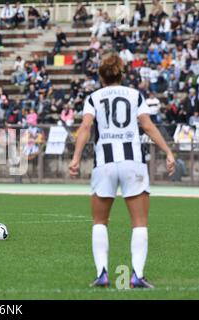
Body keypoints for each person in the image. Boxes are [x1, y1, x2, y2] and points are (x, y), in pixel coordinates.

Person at [69, 53, 175, 289]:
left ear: (101, 75)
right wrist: (168, 151)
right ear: (121, 73)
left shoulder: (93, 97)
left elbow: (86, 127)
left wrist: (76, 158)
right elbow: (146, 125)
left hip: (104, 164)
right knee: (139, 222)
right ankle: (137, 275)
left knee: (99, 221)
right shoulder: (134, 95)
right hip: (133, 163)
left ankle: (103, 274)